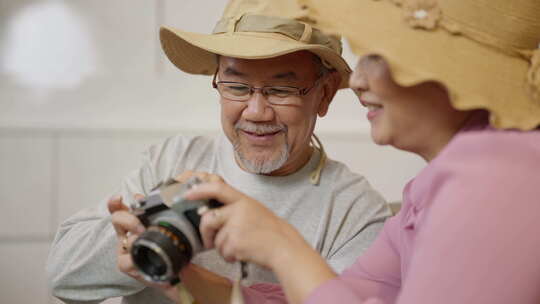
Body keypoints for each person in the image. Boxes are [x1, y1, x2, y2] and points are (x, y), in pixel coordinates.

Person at [183, 0, 540, 303]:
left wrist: (280, 244)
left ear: (457, 69)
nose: (356, 82)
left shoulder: (499, 180)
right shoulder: (434, 187)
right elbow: (346, 292)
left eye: (377, 56)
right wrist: (177, 273)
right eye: (238, 85)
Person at [46, 0, 391, 303]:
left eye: (282, 89)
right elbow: (63, 276)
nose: (256, 112)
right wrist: (155, 214)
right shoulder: (176, 159)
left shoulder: (355, 211)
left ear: (325, 93)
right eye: (237, 86)